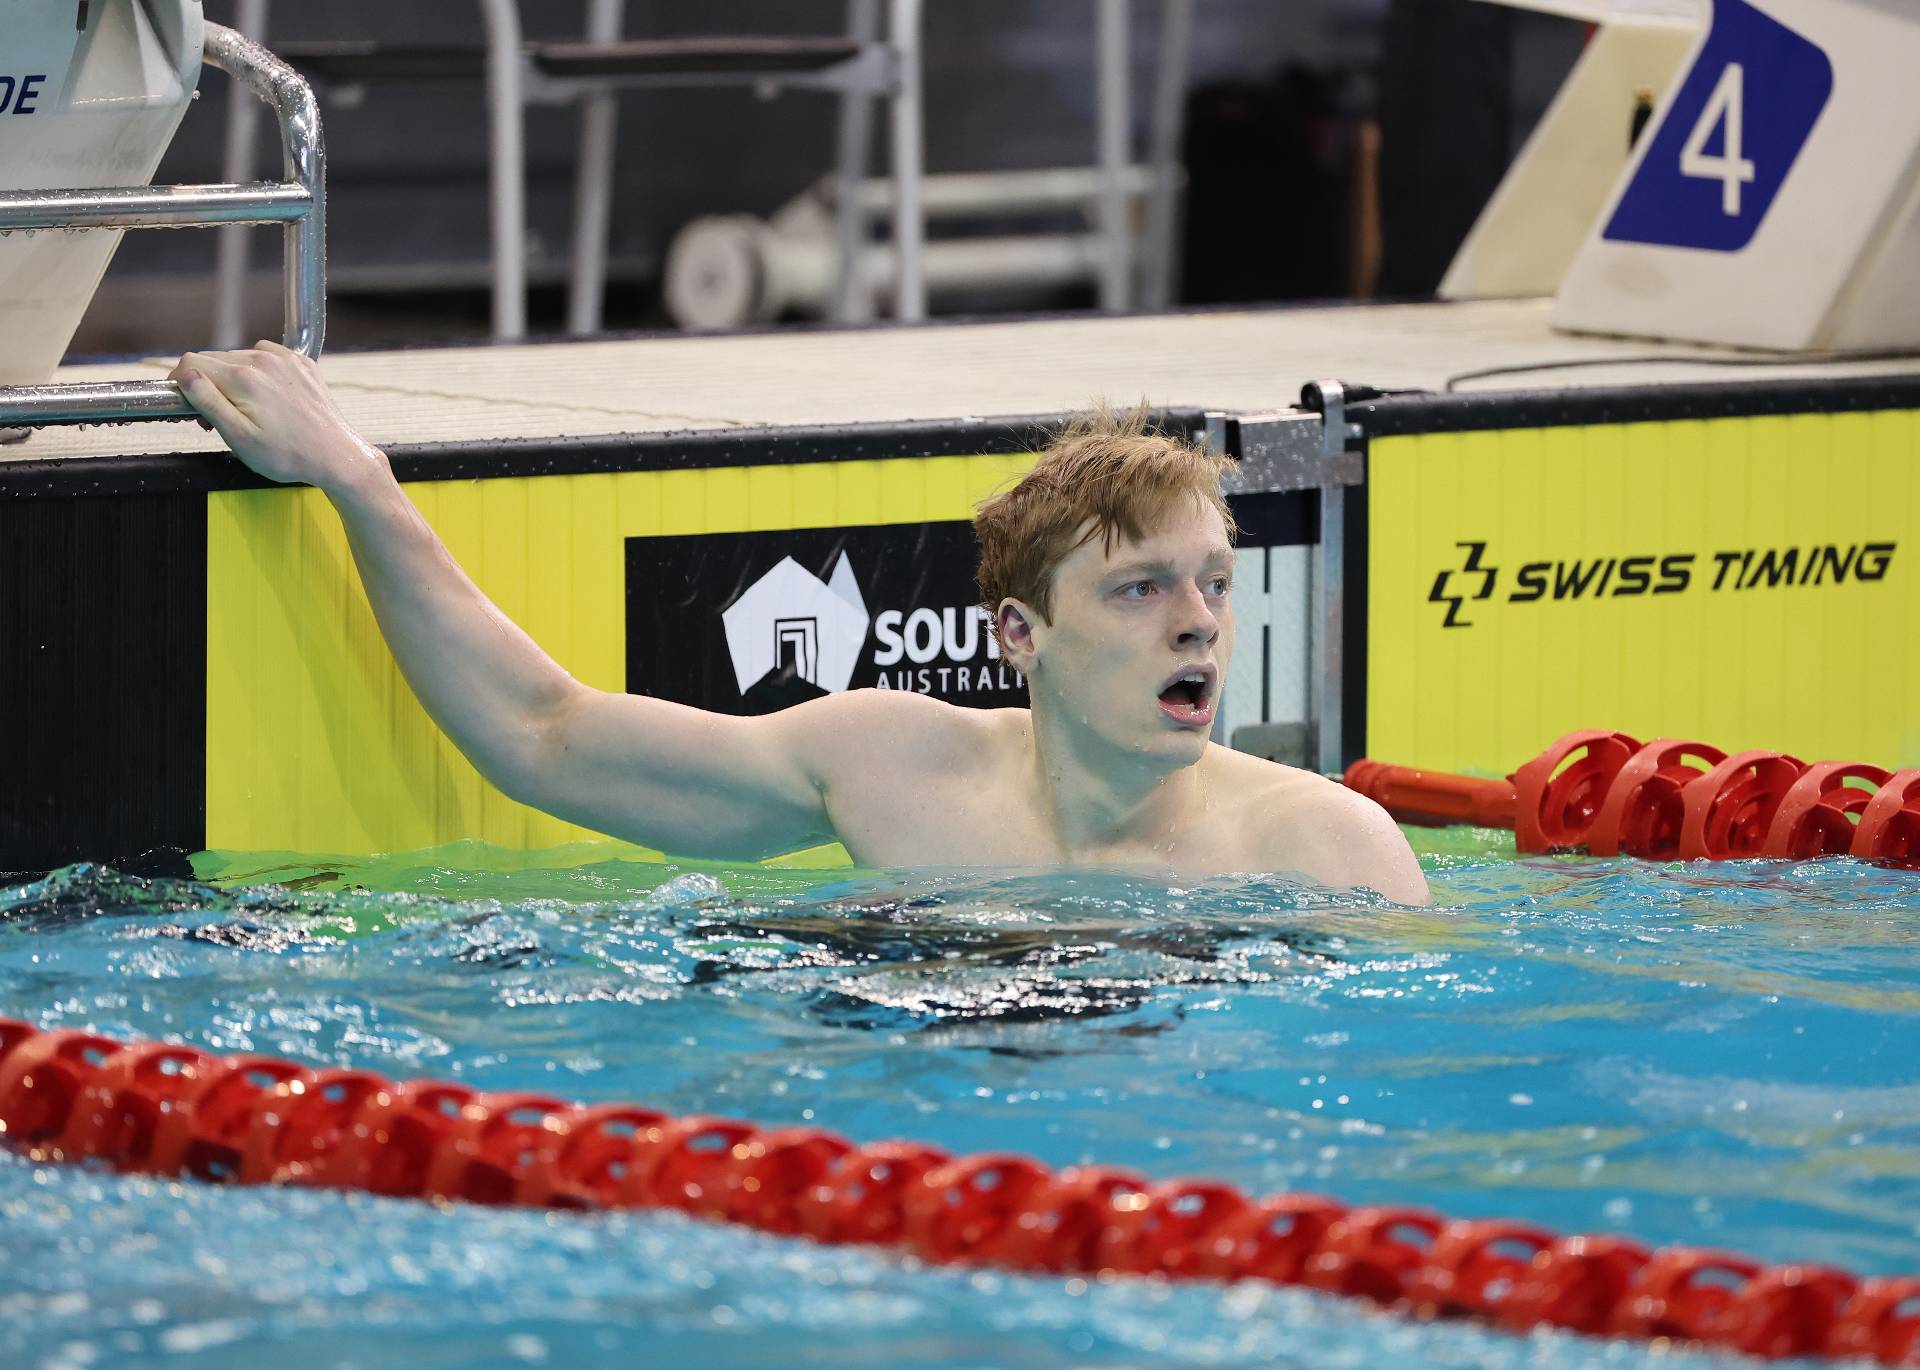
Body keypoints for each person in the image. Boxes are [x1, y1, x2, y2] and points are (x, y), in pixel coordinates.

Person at [170, 343, 1428, 902]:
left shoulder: (1325, 850)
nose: (1199, 622)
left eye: (1213, 579)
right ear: (1018, 636)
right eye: (1141, 588)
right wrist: (358, 480)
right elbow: (545, 735)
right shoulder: (893, 771)